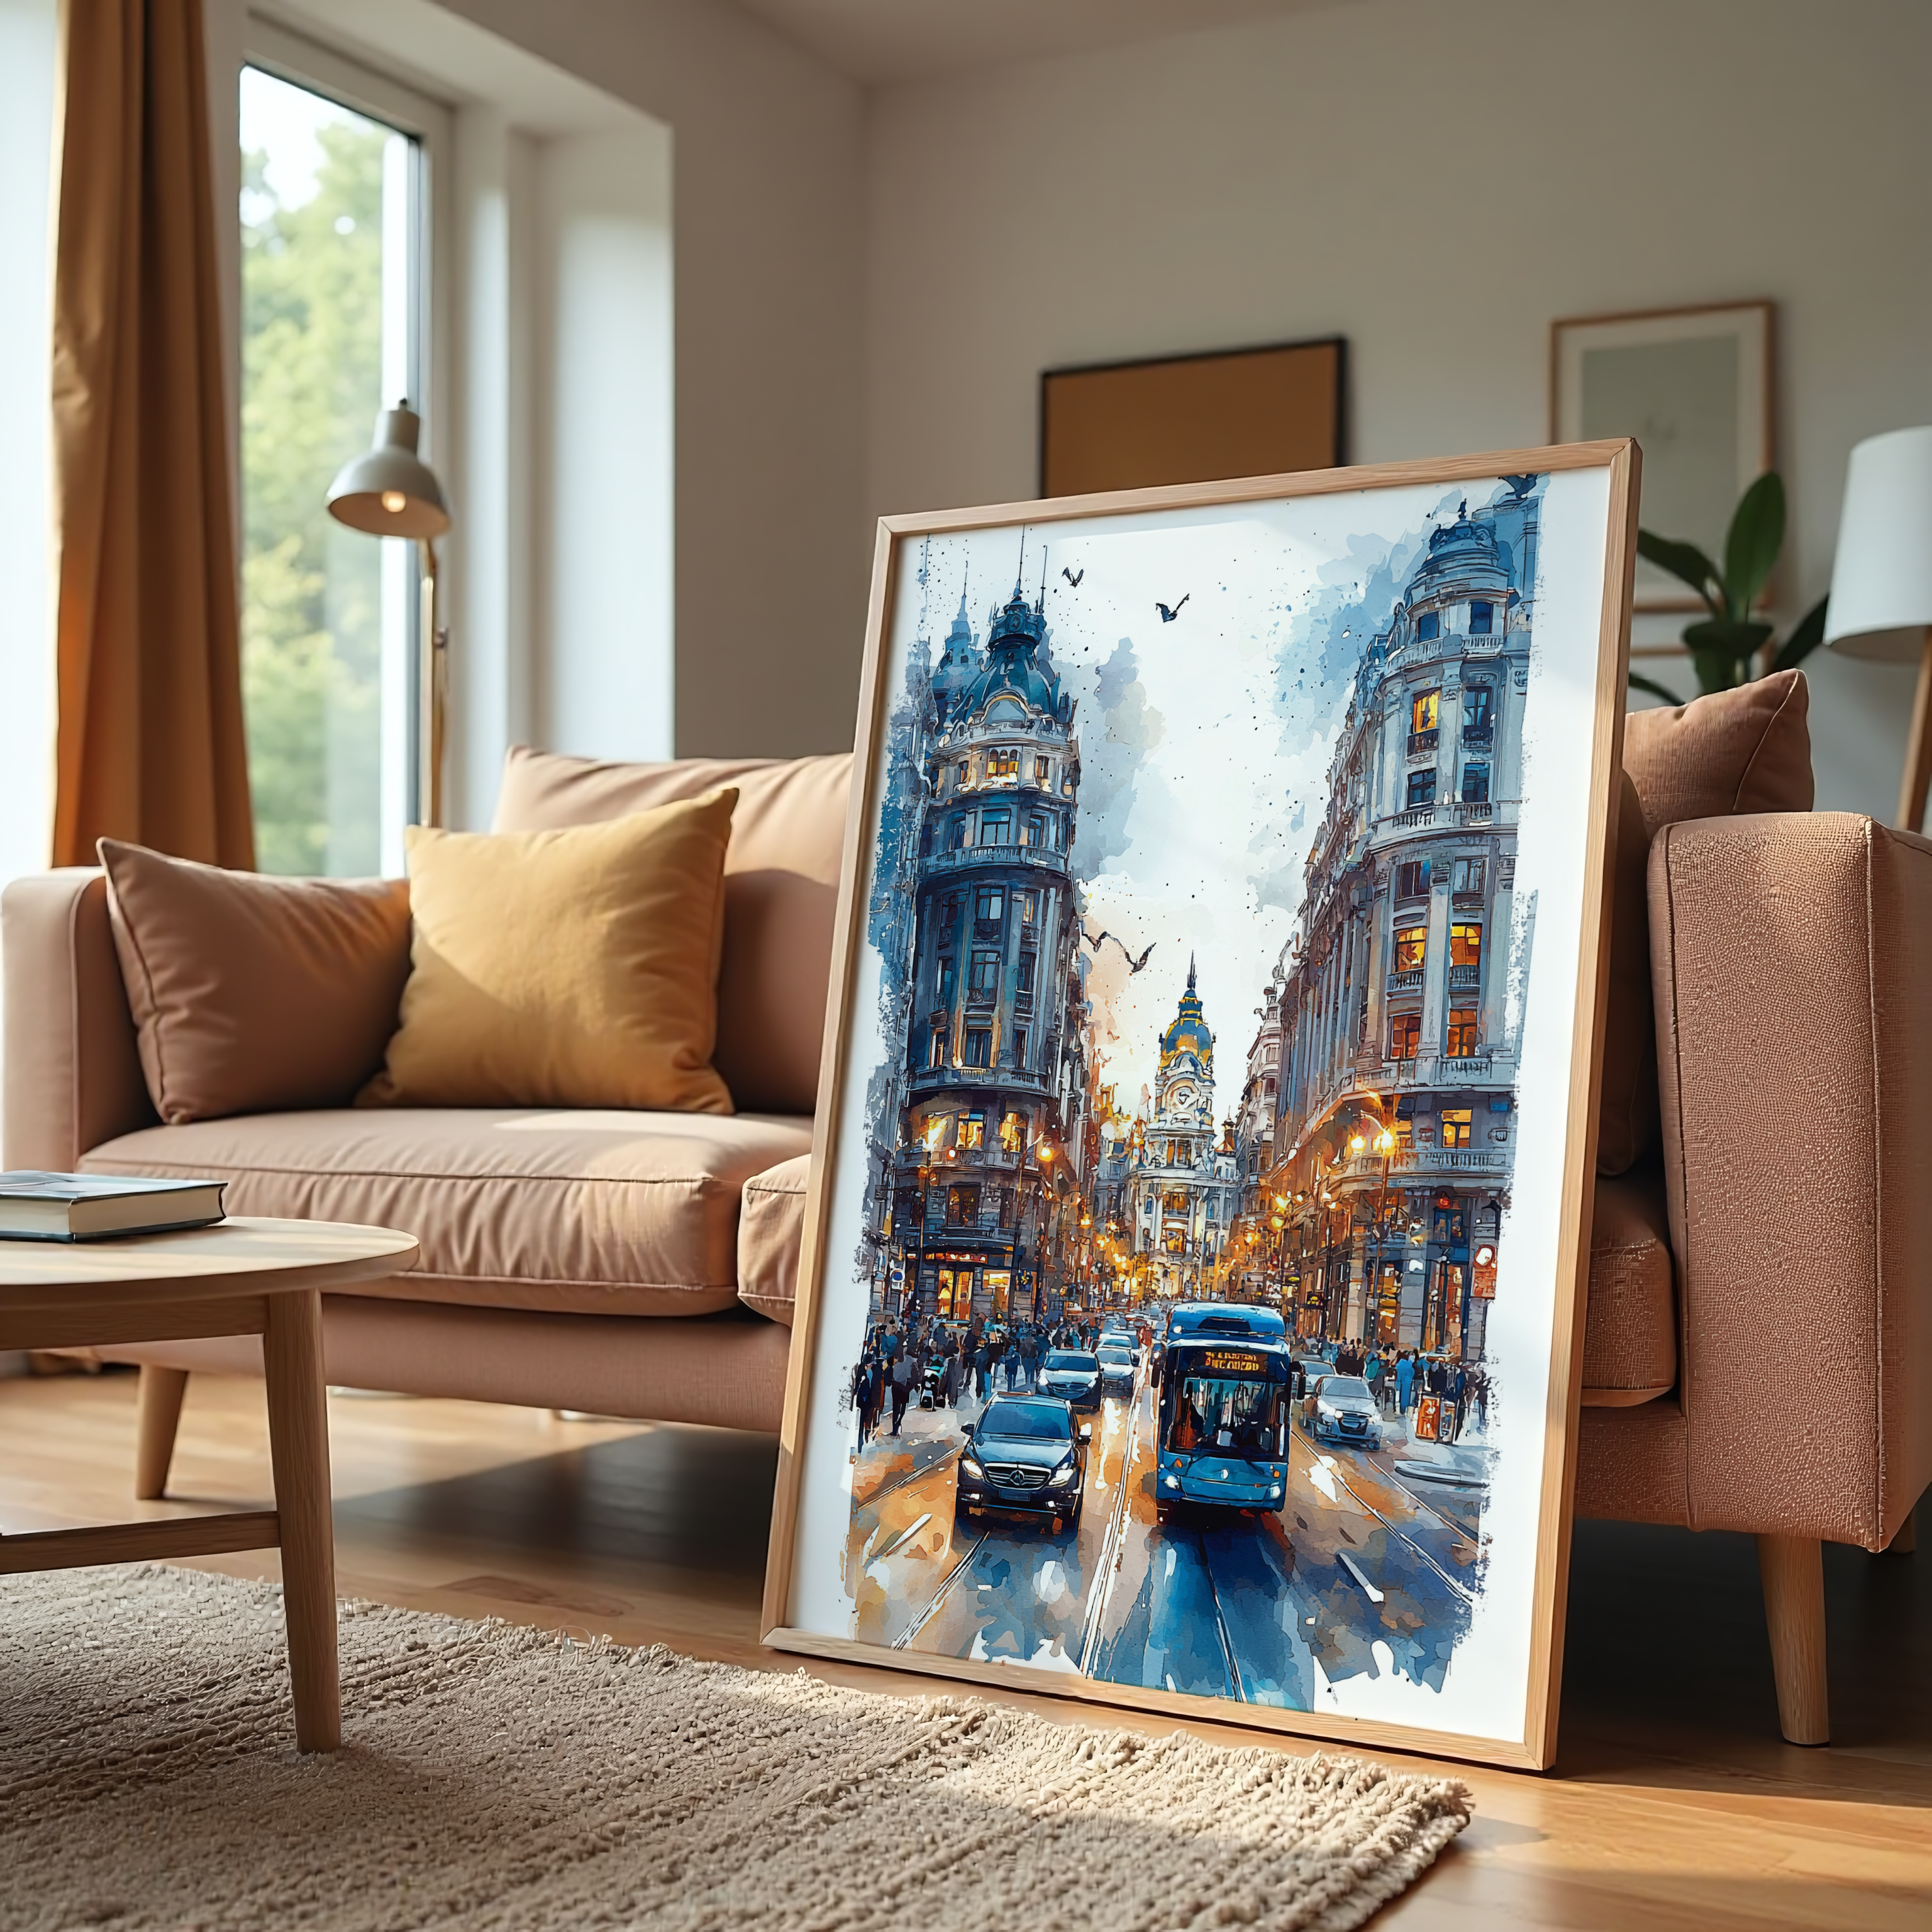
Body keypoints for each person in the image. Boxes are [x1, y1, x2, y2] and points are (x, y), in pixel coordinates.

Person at [889, 1351, 913, 1435]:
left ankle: (895, 1429)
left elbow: (893, 1378)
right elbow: (909, 1378)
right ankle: (898, 1424)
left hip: (897, 1389)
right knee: (902, 1409)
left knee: (896, 1409)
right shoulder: (908, 1366)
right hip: (904, 1389)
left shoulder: (897, 1366)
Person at [1395, 1350, 1415, 1418]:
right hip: (1406, 1383)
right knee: (1405, 1397)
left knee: (1402, 1397)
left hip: (1403, 1383)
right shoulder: (1407, 1365)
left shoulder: (1402, 1363)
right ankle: (1403, 1410)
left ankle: (1403, 1410)